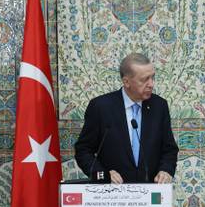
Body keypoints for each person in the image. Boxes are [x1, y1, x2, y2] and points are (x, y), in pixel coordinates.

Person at [74, 53, 179, 184]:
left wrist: (166, 170)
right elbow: (83, 150)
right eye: (144, 79)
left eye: (152, 77)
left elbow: (169, 149)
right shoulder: (101, 107)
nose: (151, 84)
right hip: (113, 191)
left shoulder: (159, 106)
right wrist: (102, 174)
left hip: (151, 190)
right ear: (126, 82)